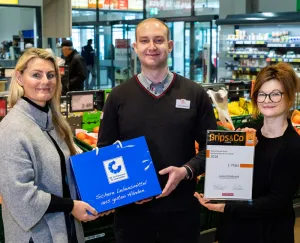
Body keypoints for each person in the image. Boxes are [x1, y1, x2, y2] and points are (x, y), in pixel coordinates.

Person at [97, 18, 217, 243]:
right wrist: (128, 189)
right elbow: (105, 151)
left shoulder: (194, 93)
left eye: (158, 40)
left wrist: (186, 171)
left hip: (181, 212)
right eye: (144, 41)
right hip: (133, 216)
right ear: (135, 47)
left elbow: (213, 147)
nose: (151, 47)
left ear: (170, 46)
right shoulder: (118, 96)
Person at [0, 48, 104, 243]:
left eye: (50, 75)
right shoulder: (11, 129)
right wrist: (71, 206)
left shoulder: (54, 123)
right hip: (37, 235)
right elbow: (21, 195)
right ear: (20, 78)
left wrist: (104, 196)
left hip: (66, 229)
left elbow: (66, 175)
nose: (45, 81)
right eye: (36, 75)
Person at [195, 62, 300, 243]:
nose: (267, 100)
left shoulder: (293, 146)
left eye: (275, 94)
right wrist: (237, 150)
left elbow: (276, 201)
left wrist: (224, 208)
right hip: (234, 229)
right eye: (262, 94)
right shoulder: (248, 132)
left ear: (290, 98)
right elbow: (228, 174)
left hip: (268, 232)